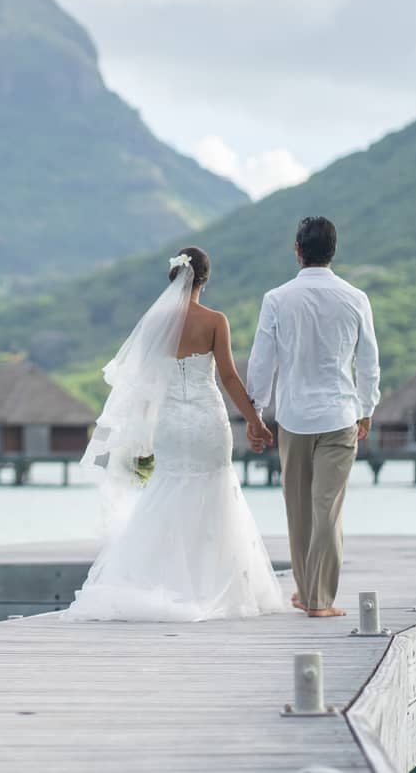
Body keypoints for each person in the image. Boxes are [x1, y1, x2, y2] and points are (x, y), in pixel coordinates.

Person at [63, 247, 285, 622]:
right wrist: (255, 421)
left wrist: (139, 435)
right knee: (215, 491)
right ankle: (213, 585)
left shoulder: (155, 324)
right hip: (207, 421)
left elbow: (145, 385)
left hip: (169, 422)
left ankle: (161, 581)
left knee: (168, 490)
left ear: (175, 277)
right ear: (205, 278)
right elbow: (229, 377)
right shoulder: (215, 320)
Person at [245, 217, 381, 618]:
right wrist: (367, 407)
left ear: (297, 250)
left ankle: (312, 594)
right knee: (328, 509)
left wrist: (256, 413)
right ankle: (314, 598)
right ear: (333, 251)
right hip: (340, 415)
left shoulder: (277, 298)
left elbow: (262, 361)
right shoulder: (356, 298)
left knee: (299, 510)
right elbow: (368, 362)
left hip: (294, 417)